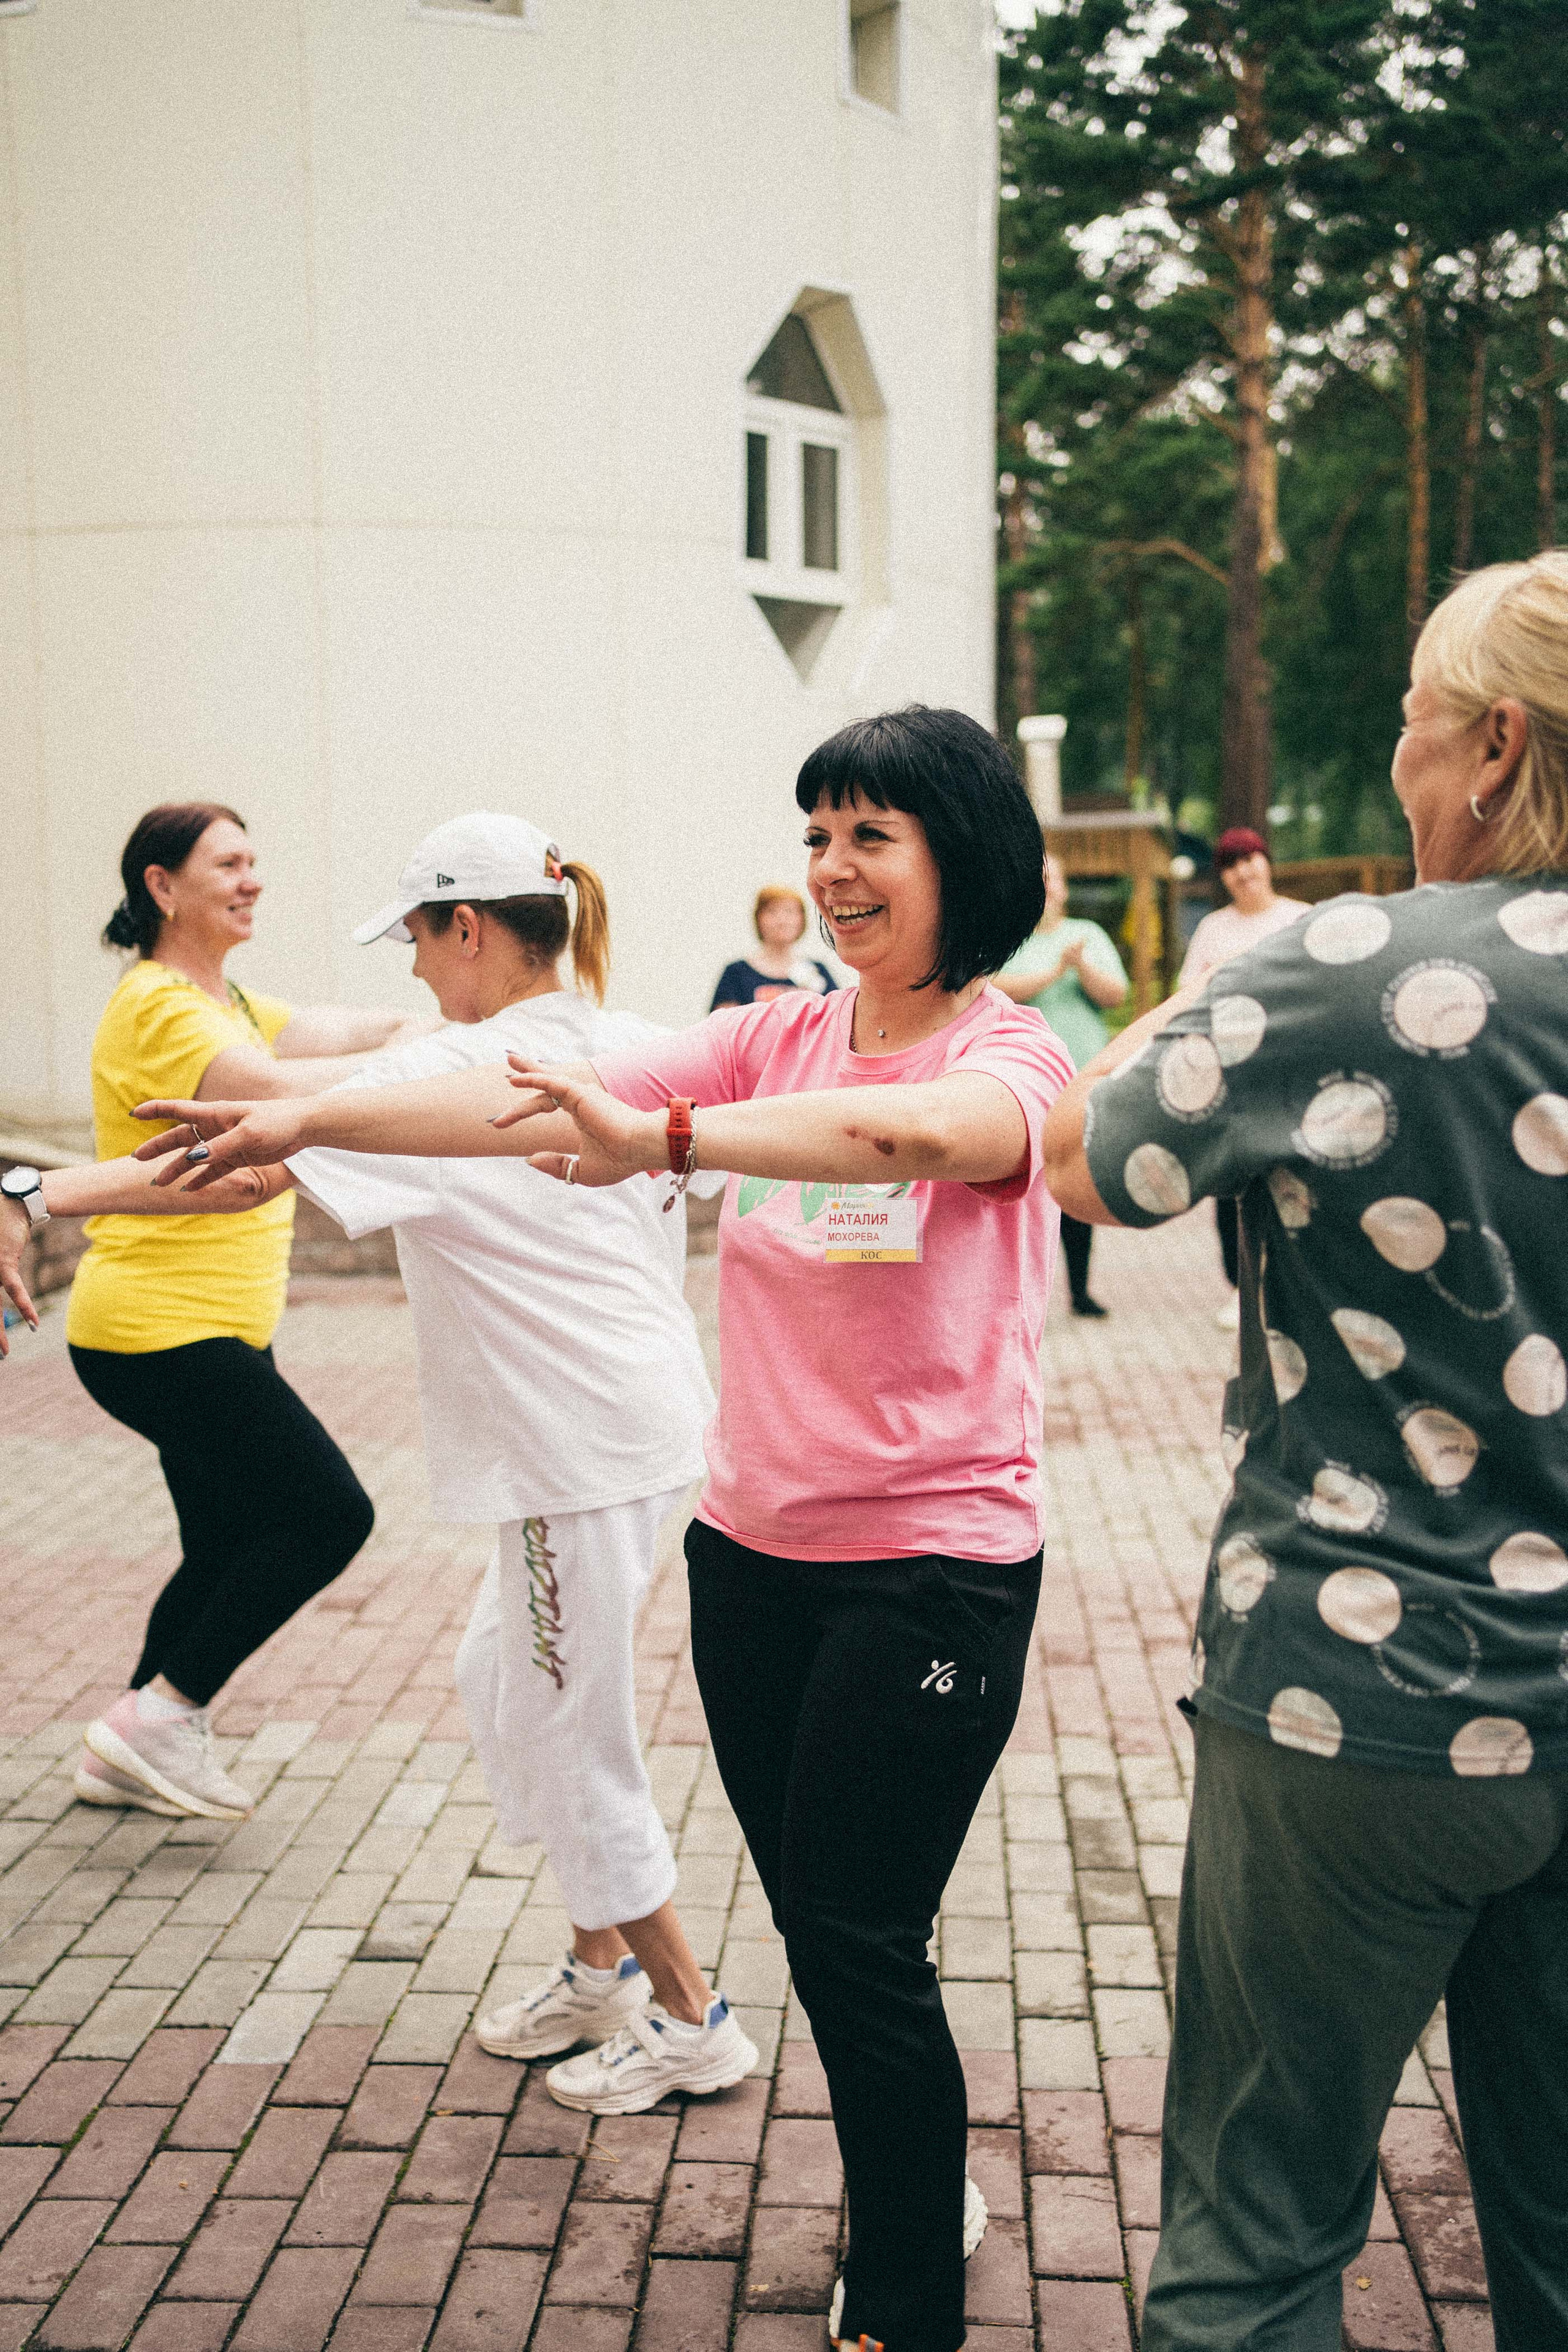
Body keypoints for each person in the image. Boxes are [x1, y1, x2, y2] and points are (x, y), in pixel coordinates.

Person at [132, 706, 1073, 2352]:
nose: (835, 869)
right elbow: (518, 1084)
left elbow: (924, 1139)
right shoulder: (775, 1035)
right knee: (839, 1931)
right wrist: (305, 1120)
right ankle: (920, 2161)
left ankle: (906, 2285)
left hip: (932, 1574)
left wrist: (671, 1142)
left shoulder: (1005, 1051)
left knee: (853, 1932)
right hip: (754, 1559)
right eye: (819, 835)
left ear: (964, 858)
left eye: (874, 836)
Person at [1038, 551, 1568, 2352]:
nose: (1407, 768)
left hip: (1364, 1690)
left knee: (1255, 2241)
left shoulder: (1350, 961)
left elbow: (1096, 1162)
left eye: (1414, 726)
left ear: (1491, 744)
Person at [34, 802, 430, 1822]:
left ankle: (128, 1743)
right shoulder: (160, 1007)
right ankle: (161, 1716)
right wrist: (428, 1065)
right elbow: (274, 1089)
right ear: (162, 886)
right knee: (327, 1513)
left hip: (203, 1328)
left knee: (221, 1544)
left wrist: (449, 1026)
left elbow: (361, 1031)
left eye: (258, 861)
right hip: (158, 1328)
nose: (253, 879)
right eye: (228, 863)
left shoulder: (234, 999)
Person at [1178, 829, 1309, 1324]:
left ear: (1267, 862)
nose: (1244, 871)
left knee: (1291, 1180)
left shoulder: (1300, 918)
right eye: (1231, 864)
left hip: (1291, 1077)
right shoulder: (1214, 929)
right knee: (1230, 1184)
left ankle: (1291, 1288)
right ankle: (1241, 1288)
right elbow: (1190, 995)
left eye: (1251, 858)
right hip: (1230, 1081)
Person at [995, 853, 1128, 1316]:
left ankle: (1079, 1292)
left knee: (1072, 1185)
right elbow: (994, 990)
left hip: (1080, 1080)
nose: (1047, 888)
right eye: (1038, 878)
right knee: (1020, 1189)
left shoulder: (1088, 935)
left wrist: (1082, 968)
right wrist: (1056, 970)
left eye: (1053, 879)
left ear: (1066, 888)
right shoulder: (1007, 936)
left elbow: (1116, 995)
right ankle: (1021, 1294)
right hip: (1020, 1085)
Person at [709, 883, 839, 1007]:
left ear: (802, 920)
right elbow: (724, 1025)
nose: (782, 920)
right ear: (758, 918)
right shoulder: (736, 973)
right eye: (772, 911)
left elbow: (836, 1018)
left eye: (790, 912)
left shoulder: (817, 971)